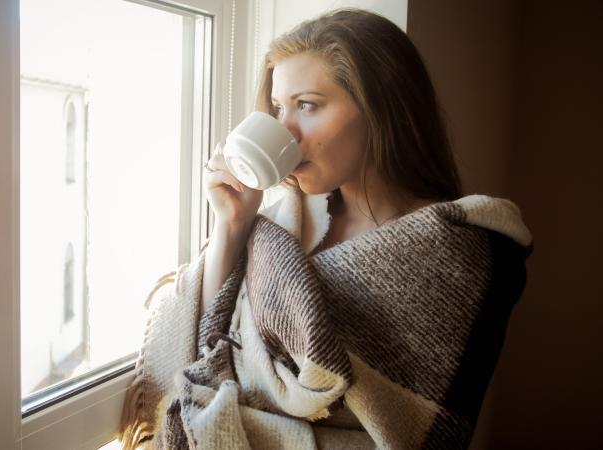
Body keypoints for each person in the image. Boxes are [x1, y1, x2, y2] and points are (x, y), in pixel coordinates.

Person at [120, 8, 531, 450]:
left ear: (381, 109)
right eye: (279, 107)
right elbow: (206, 351)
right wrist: (232, 225)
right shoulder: (281, 222)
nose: (285, 131)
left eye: (308, 105)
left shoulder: (452, 255)